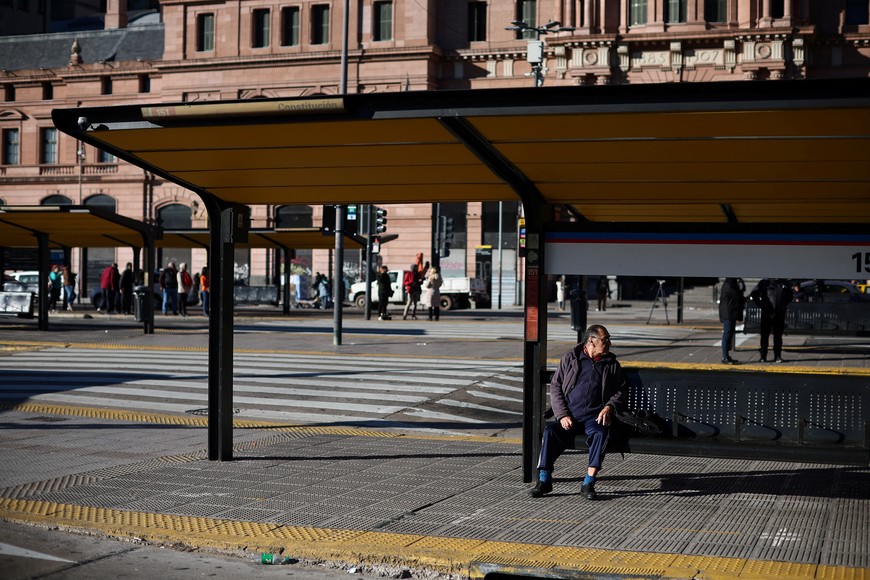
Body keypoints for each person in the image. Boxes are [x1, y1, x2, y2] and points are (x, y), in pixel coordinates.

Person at [530, 324, 629, 500]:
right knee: (550, 432)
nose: (609, 343)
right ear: (591, 340)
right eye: (605, 339)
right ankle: (544, 480)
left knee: (600, 433)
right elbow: (556, 386)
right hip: (570, 416)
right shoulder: (571, 358)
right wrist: (562, 415)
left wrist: (609, 407)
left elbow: (621, 390)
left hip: (594, 417)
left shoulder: (611, 364)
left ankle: (588, 482)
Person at [749, 278, 793, 363]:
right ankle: (763, 356)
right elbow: (754, 294)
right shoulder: (764, 282)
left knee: (778, 336)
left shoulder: (783, 282)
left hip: (779, 313)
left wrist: (783, 305)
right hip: (767, 314)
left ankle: (777, 356)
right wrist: (762, 305)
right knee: (765, 336)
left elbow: (790, 295)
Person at [718, 277, 746, 365]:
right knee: (727, 333)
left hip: (730, 312)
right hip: (728, 313)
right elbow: (738, 296)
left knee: (729, 334)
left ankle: (727, 355)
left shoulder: (730, 284)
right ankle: (725, 356)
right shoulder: (729, 285)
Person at [402, 253, 425, 320]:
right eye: (415, 268)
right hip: (411, 289)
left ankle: (413, 315)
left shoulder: (418, 274)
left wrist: (421, 281)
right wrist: (411, 283)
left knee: (415, 303)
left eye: (416, 268)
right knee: (409, 303)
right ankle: (405, 315)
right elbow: (405, 282)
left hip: (416, 289)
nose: (416, 269)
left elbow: (420, 282)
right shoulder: (408, 274)